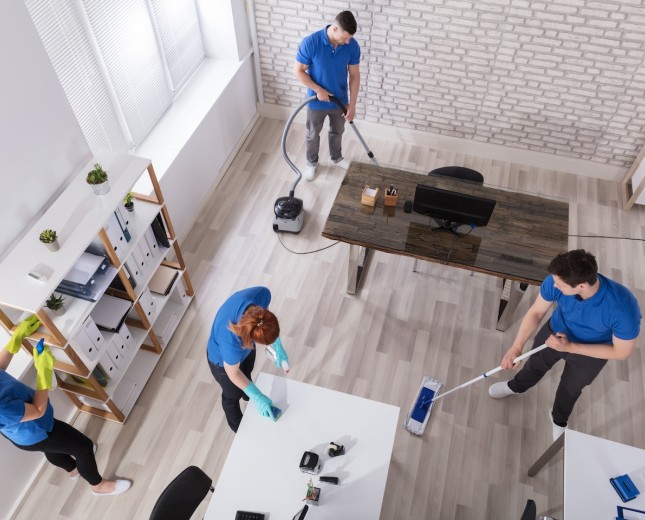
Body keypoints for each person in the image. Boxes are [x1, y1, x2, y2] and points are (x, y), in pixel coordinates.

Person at [488, 250, 641, 441]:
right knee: (534, 366)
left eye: (560, 286)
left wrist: (569, 347)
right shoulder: (557, 280)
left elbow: (622, 352)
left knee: (571, 388)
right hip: (554, 333)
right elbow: (536, 312)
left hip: (591, 352)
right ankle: (516, 387)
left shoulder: (623, 308)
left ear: (582, 285)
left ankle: (558, 419)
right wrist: (516, 347)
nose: (554, 286)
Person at [0, 316, 131, 495]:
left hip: (27, 432)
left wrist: (15, 341)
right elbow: (38, 411)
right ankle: (98, 486)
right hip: (35, 429)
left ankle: (73, 470)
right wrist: (44, 372)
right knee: (83, 447)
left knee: (50, 447)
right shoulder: (2, 408)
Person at [207, 287, 289, 432]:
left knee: (247, 372)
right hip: (222, 362)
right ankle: (240, 431)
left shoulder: (262, 295)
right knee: (232, 396)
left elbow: (265, 323)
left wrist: (277, 345)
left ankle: (247, 394)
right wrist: (258, 396)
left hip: (243, 349)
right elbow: (233, 373)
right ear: (250, 338)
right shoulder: (230, 340)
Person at [294, 10, 361, 181]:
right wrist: (318, 90)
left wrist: (351, 104)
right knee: (312, 134)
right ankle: (311, 163)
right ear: (335, 29)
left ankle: (336, 158)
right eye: (345, 37)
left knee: (337, 131)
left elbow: (354, 76)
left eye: (350, 38)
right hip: (316, 102)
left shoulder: (352, 46)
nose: (348, 41)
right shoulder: (311, 43)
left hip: (339, 102)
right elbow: (299, 72)